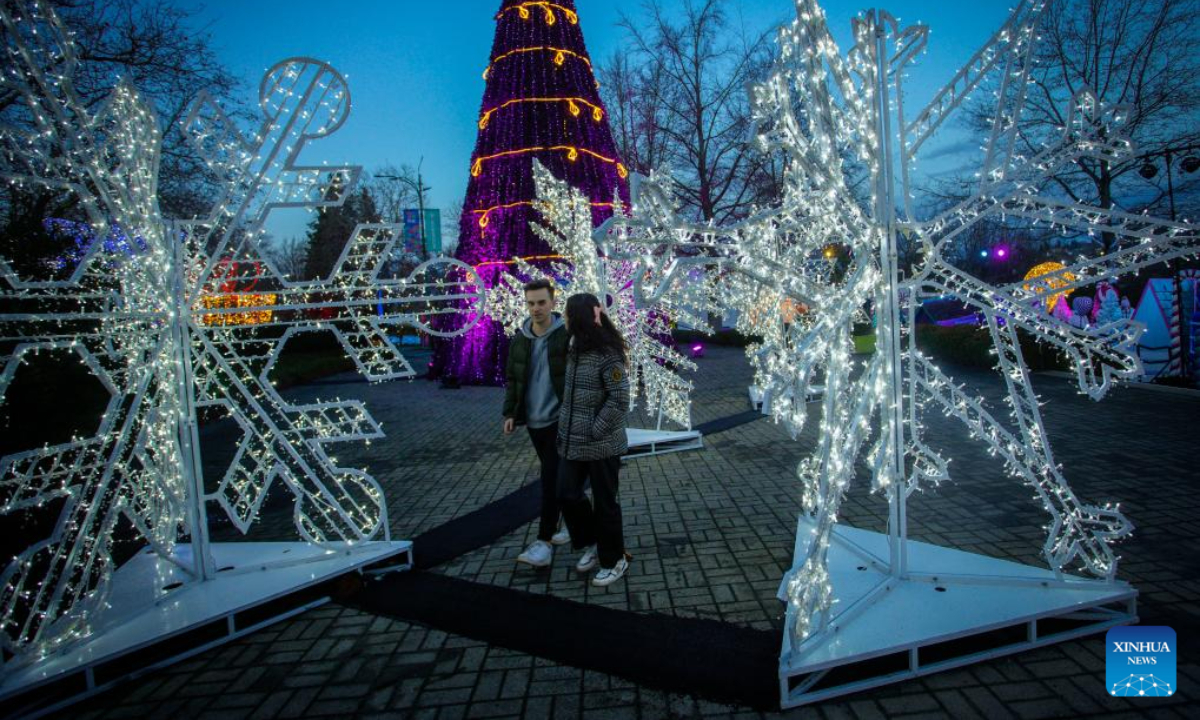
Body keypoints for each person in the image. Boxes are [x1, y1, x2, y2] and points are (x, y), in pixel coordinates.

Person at [557, 293, 632, 587]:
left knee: (605, 503)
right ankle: (592, 542)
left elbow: (620, 398)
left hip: (602, 444)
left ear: (578, 316)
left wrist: (596, 429)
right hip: (572, 441)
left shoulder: (606, 352)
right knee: (566, 493)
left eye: (567, 313)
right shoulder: (574, 347)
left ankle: (614, 559)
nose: (563, 318)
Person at [503, 279, 571, 567]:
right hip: (534, 421)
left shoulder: (567, 335)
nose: (536, 308)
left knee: (550, 479)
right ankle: (575, 521)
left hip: (560, 419)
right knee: (559, 479)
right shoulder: (520, 339)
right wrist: (510, 413)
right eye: (531, 303)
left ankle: (543, 542)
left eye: (541, 302)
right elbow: (513, 379)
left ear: (553, 302)